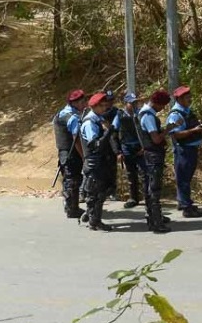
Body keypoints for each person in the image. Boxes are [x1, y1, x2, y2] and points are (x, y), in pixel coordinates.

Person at [136, 90, 175, 233]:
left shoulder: (144, 113)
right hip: (153, 156)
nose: (162, 109)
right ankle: (156, 223)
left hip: (150, 155)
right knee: (154, 189)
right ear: (157, 103)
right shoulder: (148, 116)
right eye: (163, 106)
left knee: (150, 188)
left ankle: (153, 218)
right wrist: (168, 129)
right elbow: (156, 139)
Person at [166, 85, 202, 218]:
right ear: (180, 99)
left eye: (190, 96)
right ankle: (187, 208)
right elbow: (175, 135)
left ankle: (183, 202)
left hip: (191, 149)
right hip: (183, 150)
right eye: (187, 97)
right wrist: (194, 131)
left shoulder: (187, 111)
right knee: (183, 179)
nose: (190, 99)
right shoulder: (176, 115)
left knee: (186, 178)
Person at [79, 92, 116, 231]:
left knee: (100, 192)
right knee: (95, 193)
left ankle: (92, 217)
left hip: (101, 162)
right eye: (102, 105)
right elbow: (95, 145)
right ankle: (94, 221)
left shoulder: (99, 119)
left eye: (106, 105)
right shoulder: (90, 123)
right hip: (95, 163)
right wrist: (108, 131)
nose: (105, 108)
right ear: (94, 106)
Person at [52, 89, 87, 219]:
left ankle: (70, 206)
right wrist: (84, 156)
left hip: (64, 153)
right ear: (76, 103)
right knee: (73, 180)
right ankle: (72, 209)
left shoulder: (61, 114)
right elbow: (76, 139)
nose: (85, 104)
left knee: (69, 180)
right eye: (83, 102)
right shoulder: (71, 118)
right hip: (71, 153)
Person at [116, 92, 144, 209]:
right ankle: (133, 198)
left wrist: (145, 147)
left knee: (145, 173)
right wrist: (118, 151)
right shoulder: (120, 115)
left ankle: (149, 197)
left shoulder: (141, 114)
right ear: (125, 103)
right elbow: (114, 133)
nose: (133, 105)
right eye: (131, 103)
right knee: (131, 174)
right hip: (127, 147)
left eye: (135, 102)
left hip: (140, 147)